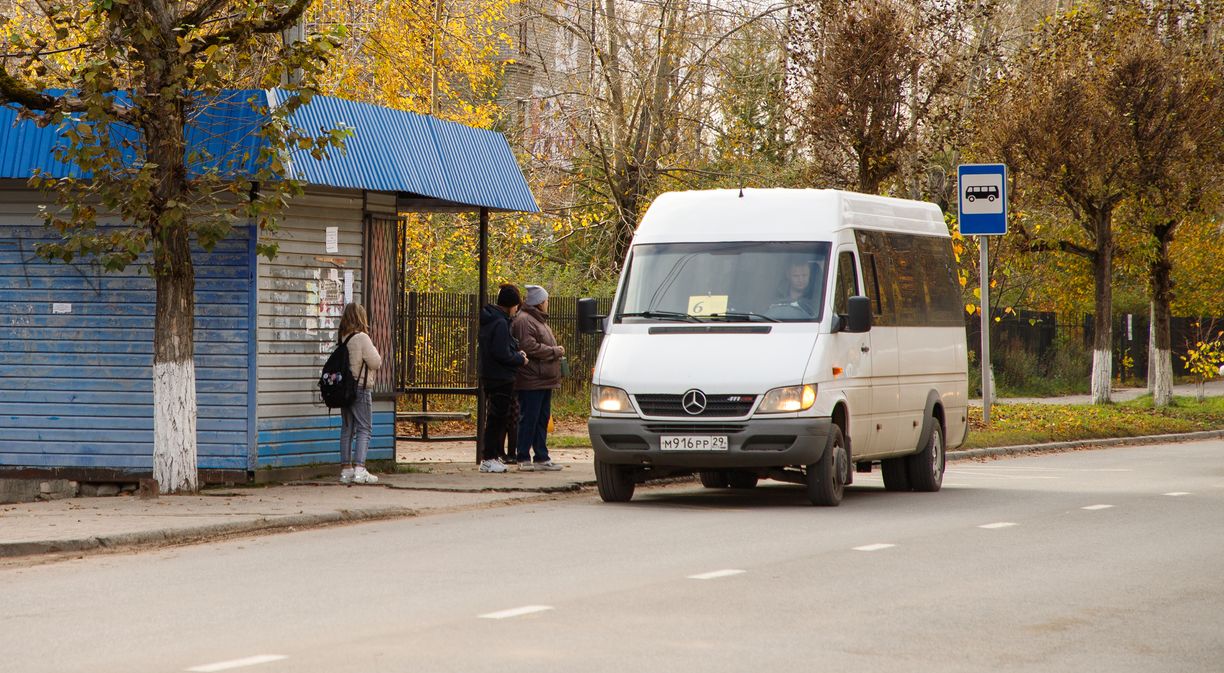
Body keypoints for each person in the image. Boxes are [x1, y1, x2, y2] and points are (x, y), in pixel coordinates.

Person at [511, 285, 565, 471]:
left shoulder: (537, 320)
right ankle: (523, 456)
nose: (547, 303)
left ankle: (541, 456)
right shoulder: (526, 321)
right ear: (540, 302)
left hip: (543, 378)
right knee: (530, 418)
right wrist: (554, 351)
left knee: (541, 418)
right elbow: (529, 346)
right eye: (546, 300)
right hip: (532, 379)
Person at [477, 284, 528, 473]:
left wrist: (514, 352)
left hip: (492, 375)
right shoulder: (500, 323)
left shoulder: (492, 320)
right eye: (516, 305)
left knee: (496, 418)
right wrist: (519, 359)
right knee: (496, 419)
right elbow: (501, 353)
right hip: (500, 376)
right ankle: (488, 458)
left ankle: (491, 456)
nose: (516, 309)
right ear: (510, 304)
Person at [338, 302, 382, 485]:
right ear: (360, 317)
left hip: (344, 389)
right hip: (360, 388)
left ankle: (346, 470)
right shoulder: (362, 337)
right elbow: (375, 362)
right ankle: (360, 469)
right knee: (365, 428)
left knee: (347, 429)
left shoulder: (342, 337)